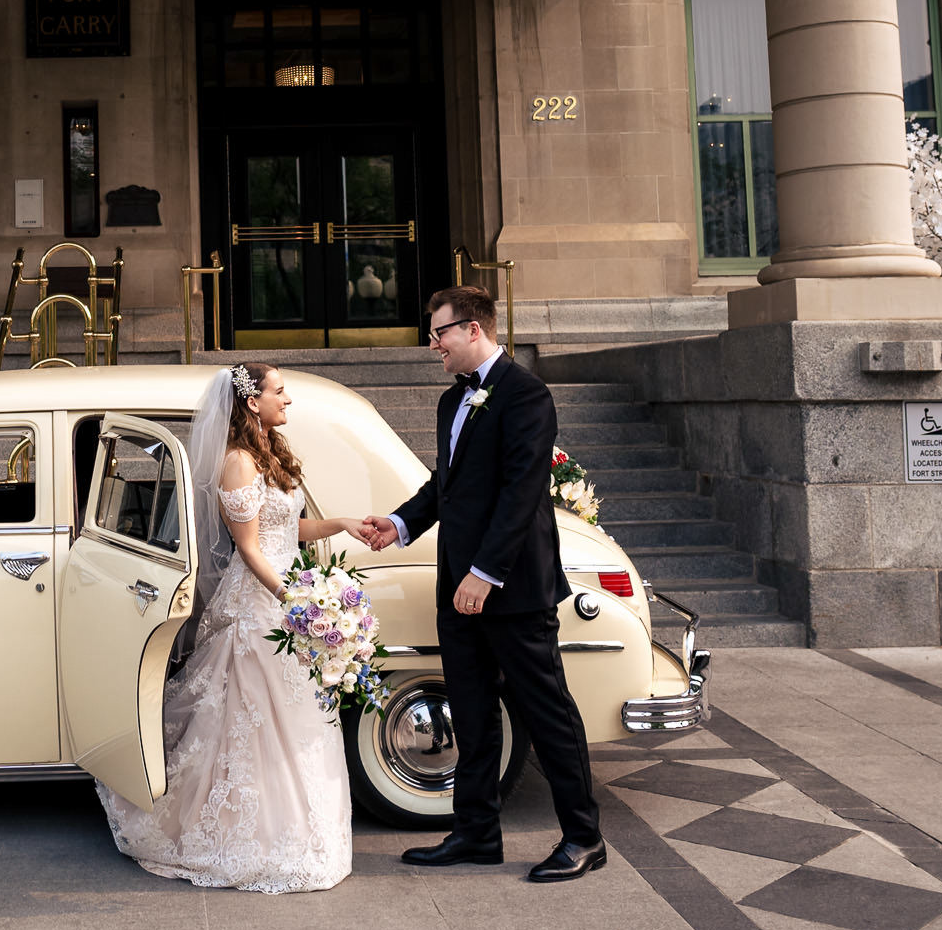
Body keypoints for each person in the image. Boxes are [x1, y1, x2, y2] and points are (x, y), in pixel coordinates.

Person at [97, 362, 377, 893]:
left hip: (288, 596)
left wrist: (341, 524)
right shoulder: (236, 462)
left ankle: (302, 832)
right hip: (260, 606)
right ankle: (240, 832)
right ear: (252, 402)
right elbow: (248, 548)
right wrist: (293, 601)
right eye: (279, 391)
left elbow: (286, 530)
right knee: (248, 721)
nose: (287, 399)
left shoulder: (269, 455)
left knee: (296, 719)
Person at [359, 285, 604, 883]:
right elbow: (448, 484)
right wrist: (398, 524)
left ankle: (584, 838)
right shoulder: (452, 401)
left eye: (439, 332)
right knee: (470, 713)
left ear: (473, 329)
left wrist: (484, 574)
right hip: (457, 587)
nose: (432, 343)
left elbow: (521, 495)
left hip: (512, 589)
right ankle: (475, 832)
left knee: (547, 713)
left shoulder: (528, 395)